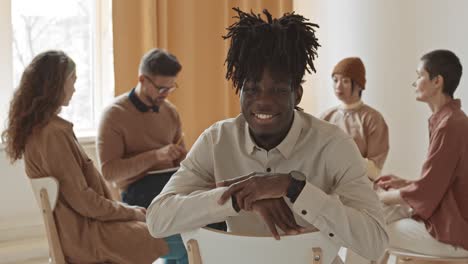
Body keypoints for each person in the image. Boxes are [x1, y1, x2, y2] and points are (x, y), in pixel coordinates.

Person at [146, 8, 388, 263]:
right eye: (252, 89)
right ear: (239, 90)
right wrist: (242, 199)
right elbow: (158, 219)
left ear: (297, 94)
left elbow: (375, 242)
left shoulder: (333, 144)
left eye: (278, 90)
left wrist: (294, 188)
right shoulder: (217, 140)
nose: (263, 102)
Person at [1, 50, 168, 263]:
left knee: (160, 227)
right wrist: (130, 213)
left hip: (84, 229)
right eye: (72, 80)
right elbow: (84, 201)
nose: (74, 88)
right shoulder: (52, 134)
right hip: (85, 237)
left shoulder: (46, 130)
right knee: (172, 233)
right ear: (56, 84)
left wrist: (127, 211)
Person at [97, 48, 190, 264]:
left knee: (211, 218)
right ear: (142, 79)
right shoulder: (114, 115)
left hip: (172, 186)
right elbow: (109, 172)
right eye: (160, 88)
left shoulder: (170, 111)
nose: (165, 94)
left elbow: (182, 159)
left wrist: (182, 157)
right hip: (138, 193)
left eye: (170, 88)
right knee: (190, 239)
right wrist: (155, 156)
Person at [375, 49, 468, 257]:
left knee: (368, 228)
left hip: (454, 231)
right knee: (371, 217)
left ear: (437, 81)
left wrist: (383, 196)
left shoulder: (450, 125)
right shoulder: (450, 119)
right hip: (449, 219)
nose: (414, 83)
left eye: (419, 76)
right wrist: (406, 184)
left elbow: (426, 192)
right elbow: (437, 184)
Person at [321, 57, 389, 181]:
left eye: (345, 81)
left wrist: (344, 155)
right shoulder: (326, 116)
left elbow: (375, 171)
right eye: (335, 80)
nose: (338, 86)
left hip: (360, 192)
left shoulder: (373, 118)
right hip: (327, 189)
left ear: (359, 85)